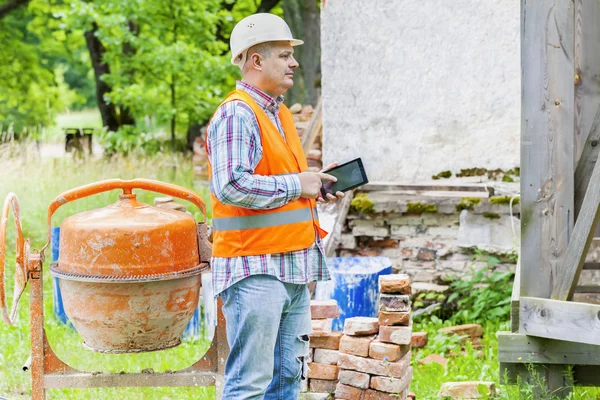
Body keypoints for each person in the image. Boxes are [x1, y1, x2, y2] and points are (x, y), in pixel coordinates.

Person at [205, 12, 344, 400]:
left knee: (287, 380)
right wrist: (299, 183)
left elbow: (276, 181)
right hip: (255, 269)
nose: (294, 62)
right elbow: (231, 184)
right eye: (284, 55)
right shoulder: (237, 113)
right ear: (256, 61)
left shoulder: (278, 112)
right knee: (250, 384)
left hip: (292, 266)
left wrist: (313, 185)